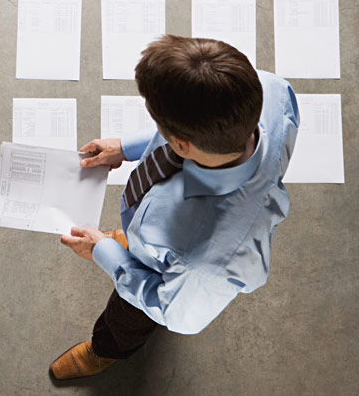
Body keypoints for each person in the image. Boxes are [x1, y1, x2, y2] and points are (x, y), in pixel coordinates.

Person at [50, 34, 300, 379]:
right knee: (141, 241)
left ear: (181, 144)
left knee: (128, 317)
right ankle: (134, 242)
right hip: (162, 232)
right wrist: (125, 147)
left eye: (159, 126)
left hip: (157, 273)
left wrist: (103, 252)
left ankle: (106, 350)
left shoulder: (203, 262)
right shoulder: (269, 89)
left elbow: (176, 314)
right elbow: (188, 131)